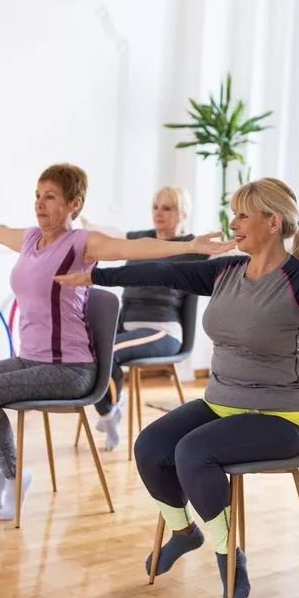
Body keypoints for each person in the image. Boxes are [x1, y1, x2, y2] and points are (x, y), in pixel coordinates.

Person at [55, 178, 299, 598]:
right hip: (221, 403)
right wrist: (96, 275)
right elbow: (163, 271)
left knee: (192, 453)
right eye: (234, 213)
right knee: (150, 446)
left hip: (281, 419)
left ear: (273, 222)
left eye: (242, 215)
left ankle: (228, 557)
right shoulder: (226, 271)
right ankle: (184, 533)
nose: (233, 223)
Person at [0, 163, 234, 520]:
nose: (40, 203)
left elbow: (135, 246)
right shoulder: (30, 239)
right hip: (30, 359)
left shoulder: (82, 244)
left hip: (70, 368)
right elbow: (0, 232)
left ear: (74, 204)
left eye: (50, 197)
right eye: (37, 195)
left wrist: (190, 244)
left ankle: (14, 477)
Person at [91, 185, 203, 451]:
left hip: (163, 330)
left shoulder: (192, 247)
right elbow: (106, 235)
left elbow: (232, 254)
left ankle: (110, 410)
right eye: (155, 207)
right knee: (84, 349)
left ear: (183, 212)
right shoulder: (140, 239)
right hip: (127, 323)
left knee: (107, 352)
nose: (159, 213)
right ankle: (110, 410)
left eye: (167, 207)